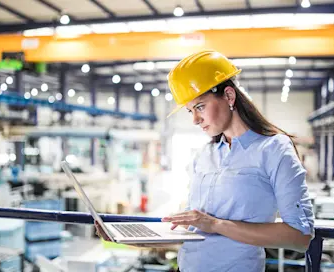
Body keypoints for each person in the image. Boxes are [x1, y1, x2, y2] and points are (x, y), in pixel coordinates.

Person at [96, 50, 315, 272]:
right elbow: (191, 233)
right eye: (190, 110)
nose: (194, 119)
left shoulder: (274, 149)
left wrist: (215, 224)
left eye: (200, 106)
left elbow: (299, 237)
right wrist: (125, 237)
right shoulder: (204, 156)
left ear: (229, 96)